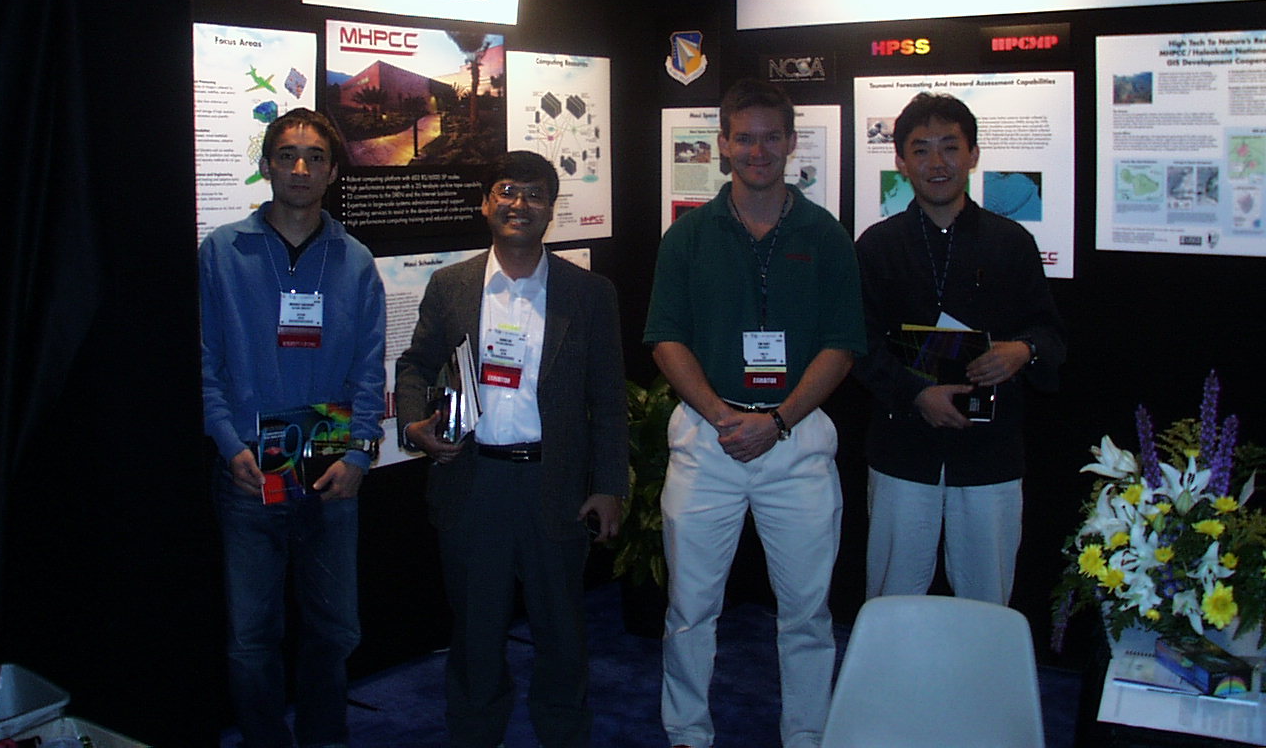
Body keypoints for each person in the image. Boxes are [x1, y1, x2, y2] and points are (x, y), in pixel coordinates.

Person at [644, 78, 866, 748]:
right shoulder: (688, 235)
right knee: (689, 608)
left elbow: (842, 345)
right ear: (723, 145)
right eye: (745, 138)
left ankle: (807, 734)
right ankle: (687, 732)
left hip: (796, 441)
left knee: (806, 613)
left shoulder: (826, 236)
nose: (758, 151)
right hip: (707, 440)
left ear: (792, 143)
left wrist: (778, 421)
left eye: (772, 137)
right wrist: (720, 415)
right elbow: (665, 338)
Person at [396, 150, 628, 748]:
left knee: (562, 630)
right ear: (485, 203)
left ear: (551, 209)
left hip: (557, 485)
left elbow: (608, 396)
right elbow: (415, 363)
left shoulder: (589, 292)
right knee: (475, 632)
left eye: (534, 194)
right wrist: (415, 423)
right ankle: (475, 733)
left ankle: (564, 732)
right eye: (506, 191)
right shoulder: (451, 285)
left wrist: (609, 485)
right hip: (473, 483)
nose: (519, 204)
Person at [200, 107, 386, 748]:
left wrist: (359, 455)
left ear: (332, 172)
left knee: (335, 629)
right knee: (251, 637)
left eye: (315, 157)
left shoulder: (355, 261)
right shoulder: (223, 252)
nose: (300, 168)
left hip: (328, 458)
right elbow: (204, 361)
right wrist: (228, 445)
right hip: (251, 462)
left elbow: (369, 369)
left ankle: (323, 736)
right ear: (266, 166)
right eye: (287, 155)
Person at [853, 92, 1065, 605]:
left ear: (973, 154)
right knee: (892, 596)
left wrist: (1022, 351)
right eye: (921, 149)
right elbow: (859, 345)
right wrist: (915, 394)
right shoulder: (877, 245)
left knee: (987, 597)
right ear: (901, 161)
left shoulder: (1011, 242)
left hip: (989, 452)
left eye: (950, 147)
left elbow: (1050, 334)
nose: (937, 162)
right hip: (903, 448)